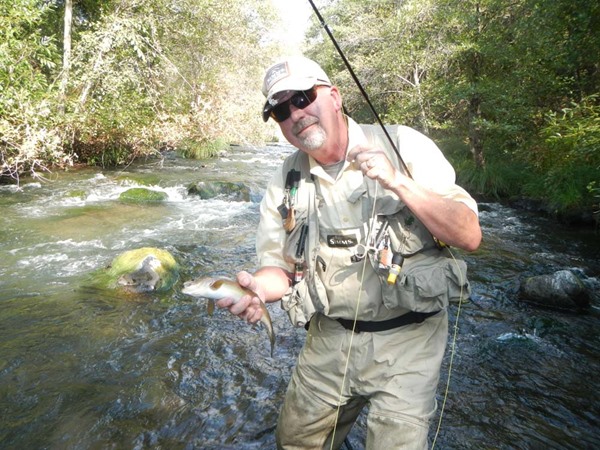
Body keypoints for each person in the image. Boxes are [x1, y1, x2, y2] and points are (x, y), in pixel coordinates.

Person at [216, 56, 482, 449]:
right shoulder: (285, 179)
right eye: (280, 110)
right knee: (294, 443)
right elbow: (279, 269)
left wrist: (399, 182)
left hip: (409, 343)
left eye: (304, 97)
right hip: (327, 338)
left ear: (335, 96)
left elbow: (469, 234)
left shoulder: (403, 144)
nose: (296, 114)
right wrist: (255, 288)